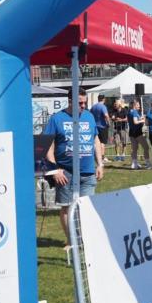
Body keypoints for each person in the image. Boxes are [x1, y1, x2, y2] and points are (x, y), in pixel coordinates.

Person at [43, 91, 104, 251]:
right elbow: (47, 145)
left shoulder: (89, 117)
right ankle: (71, 240)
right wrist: (54, 169)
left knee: (87, 208)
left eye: (85, 103)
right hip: (65, 172)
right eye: (80, 103)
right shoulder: (57, 119)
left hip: (87, 171)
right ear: (70, 101)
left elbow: (96, 139)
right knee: (67, 207)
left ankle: (87, 240)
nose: (83, 106)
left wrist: (100, 164)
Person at [90, 94, 111, 162]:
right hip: (102, 126)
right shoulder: (103, 106)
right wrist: (109, 123)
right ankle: (102, 157)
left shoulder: (93, 106)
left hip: (95, 126)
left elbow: (90, 115)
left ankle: (96, 156)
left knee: (96, 142)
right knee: (102, 142)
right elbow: (106, 115)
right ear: (104, 99)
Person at [128, 100, 147, 169]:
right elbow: (135, 122)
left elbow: (134, 120)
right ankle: (147, 163)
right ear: (134, 105)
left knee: (134, 149)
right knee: (146, 147)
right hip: (137, 132)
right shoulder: (135, 112)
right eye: (138, 105)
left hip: (131, 132)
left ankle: (134, 163)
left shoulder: (130, 112)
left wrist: (140, 118)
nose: (139, 106)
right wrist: (142, 120)